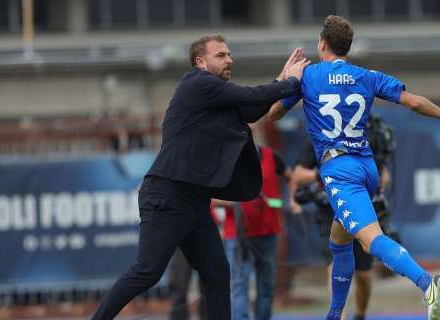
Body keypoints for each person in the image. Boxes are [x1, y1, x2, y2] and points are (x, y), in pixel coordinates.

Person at [91, 34, 310, 320]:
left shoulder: (218, 96)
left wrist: (281, 79)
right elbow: (250, 96)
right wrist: (290, 82)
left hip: (195, 201)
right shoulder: (198, 84)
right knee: (147, 272)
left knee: (217, 273)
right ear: (200, 62)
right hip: (167, 196)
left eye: (229, 54)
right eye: (221, 55)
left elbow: (252, 109)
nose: (229, 59)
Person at [268, 16, 440, 320]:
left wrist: (284, 78)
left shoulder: (308, 76)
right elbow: (412, 102)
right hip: (366, 166)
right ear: (348, 46)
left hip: (339, 168)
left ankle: (428, 284)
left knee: (370, 239)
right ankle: (335, 315)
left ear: (322, 44)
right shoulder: (367, 75)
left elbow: (274, 114)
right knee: (340, 238)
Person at [289, 115, 397, 320]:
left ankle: (360, 315)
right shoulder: (319, 138)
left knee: (364, 273)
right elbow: (298, 175)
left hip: (360, 207)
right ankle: (339, 316)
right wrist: (330, 173)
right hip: (330, 209)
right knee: (334, 263)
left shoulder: (362, 136)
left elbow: (384, 173)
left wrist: (374, 181)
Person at [220, 125, 292, 320]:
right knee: (239, 284)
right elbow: (210, 197)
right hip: (237, 234)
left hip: (267, 233)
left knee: (266, 285)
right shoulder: (225, 160)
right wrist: (236, 200)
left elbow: (291, 177)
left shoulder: (271, 156)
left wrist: (290, 201)